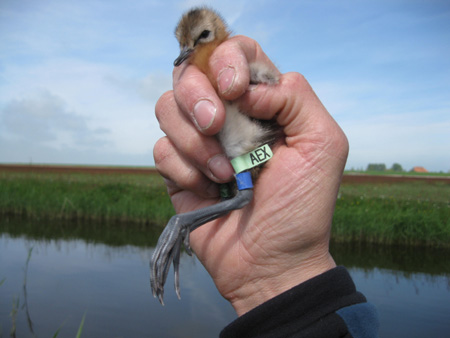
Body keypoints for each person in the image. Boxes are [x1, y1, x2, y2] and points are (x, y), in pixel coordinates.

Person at [153, 35, 379, 337]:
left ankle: (189, 218)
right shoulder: (213, 85)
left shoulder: (241, 79)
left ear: (217, 34)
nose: (187, 51)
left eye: (200, 38)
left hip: (246, 156)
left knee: (240, 189)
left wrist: (183, 220)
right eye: (183, 44)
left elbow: (265, 82)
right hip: (240, 160)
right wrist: (272, 282)